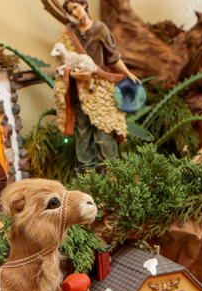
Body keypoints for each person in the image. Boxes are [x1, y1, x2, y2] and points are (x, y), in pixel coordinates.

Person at [56, 0, 138, 171]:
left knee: (104, 132)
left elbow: (113, 57)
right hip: (80, 90)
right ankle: (87, 175)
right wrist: (74, 75)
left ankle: (111, 173)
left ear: (84, 5)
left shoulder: (99, 28)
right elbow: (63, 62)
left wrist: (129, 74)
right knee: (83, 133)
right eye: (70, 11)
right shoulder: (69, 33)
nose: (74, 13)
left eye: (76, 7)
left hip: (100, 89)